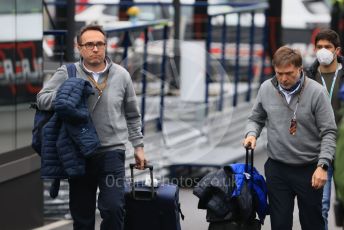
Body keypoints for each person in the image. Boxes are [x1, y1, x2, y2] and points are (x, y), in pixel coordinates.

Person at [37, 24, 146, 229]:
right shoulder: (67, 73)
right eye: (89, 44)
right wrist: (67, 95)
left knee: (114, 209)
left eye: (100, 44)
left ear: (106, 46)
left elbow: (132, 115)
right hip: (78, 153)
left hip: (112, 152)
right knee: (82, 216)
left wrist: (138, 147)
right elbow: (41, 99)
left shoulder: (121, 75)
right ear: (79, 48)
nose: (95, 49)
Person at [243, 46, 337, 230]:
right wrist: (251, 134)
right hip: (278, 168)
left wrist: (323, 165)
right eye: (279, 73)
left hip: (309, 169)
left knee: (312, 224)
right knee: (279, 224)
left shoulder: (317, 92)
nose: (284, 79)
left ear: (300, 69)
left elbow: (329, 132)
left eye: (289, 73)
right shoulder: (266, 88)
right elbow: (255, 118)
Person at [305, 28, 344, 230]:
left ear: (336, 50)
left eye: (327, 47)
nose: (322, 50)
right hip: (319, 150)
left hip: (343, 147)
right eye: (319, 47)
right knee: (321, 205)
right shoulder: (307, 77)